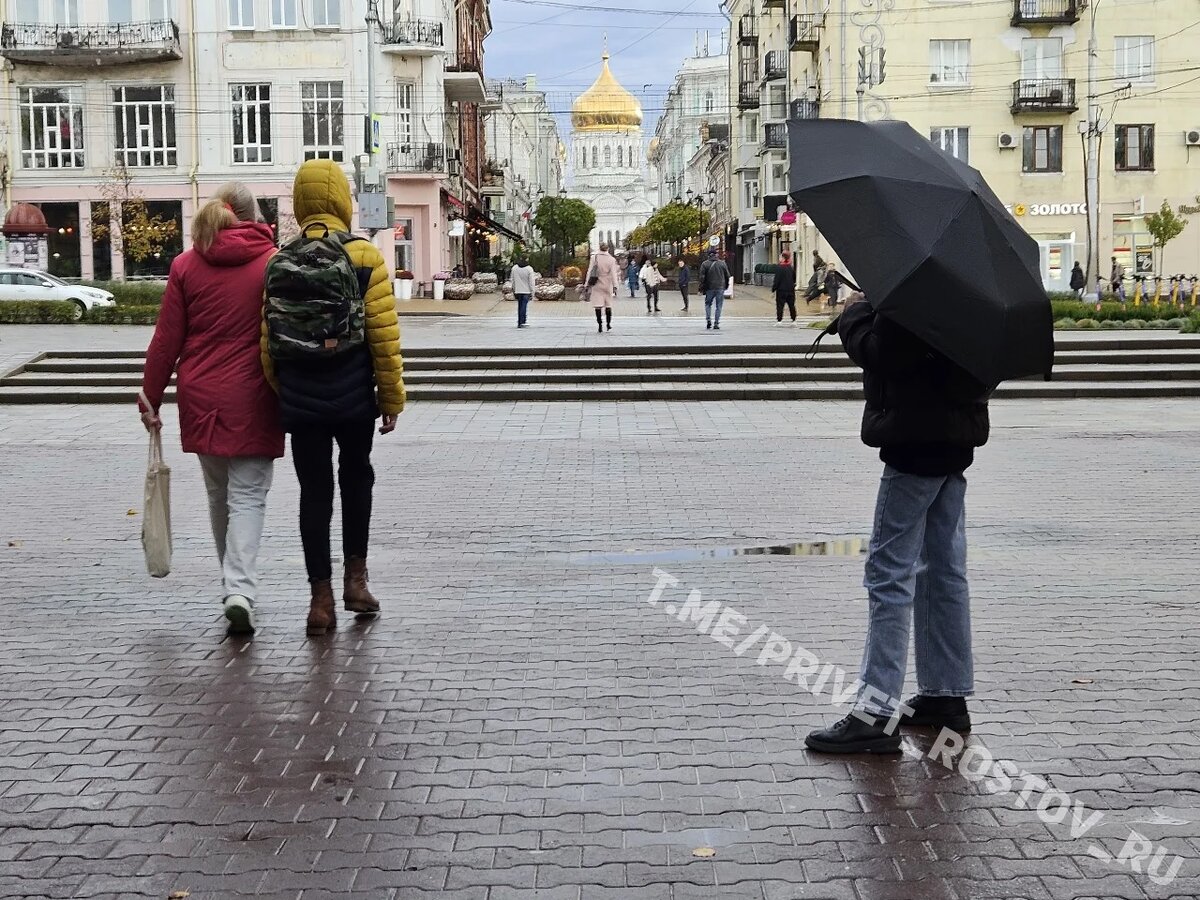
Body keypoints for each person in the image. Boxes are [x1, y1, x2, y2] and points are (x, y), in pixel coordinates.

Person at [805, 296, 991, 754]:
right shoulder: (975, 292)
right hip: (954, 439)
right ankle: (945, 697)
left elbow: (886, 353)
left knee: (888, 575)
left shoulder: (915, 291)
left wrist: (855, 314)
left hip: (915, 442)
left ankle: (874, 711)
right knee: (943, 571)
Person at [262, 159, 405, 637]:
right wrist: (391, 398)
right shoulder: (364, 256)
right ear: (344, 200)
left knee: (313, 492)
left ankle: (319, 600)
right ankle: (356, 581)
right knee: (357, 479)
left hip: (302, 396)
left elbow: (267, 342)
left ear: (301, 201)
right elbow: (383, 336)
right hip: (353, 393)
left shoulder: (280, 257)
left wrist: (286, 390)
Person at [139, 182, 283, 636]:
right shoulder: (272, 264)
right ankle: (238, 588)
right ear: (254, 217)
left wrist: (150, 395)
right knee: (248, 496)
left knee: (219, 495)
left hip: (200, 395)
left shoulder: (185, 264)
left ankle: (233, 585)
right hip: (255, 396)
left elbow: (167, 338)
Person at [586, 242, 621, 332]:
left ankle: (600, 324)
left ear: (599, 248)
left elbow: (590, 271)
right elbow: (614, 274)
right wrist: (615, 285)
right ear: (607, 249)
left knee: (598, 306)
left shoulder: (594, 257)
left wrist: (586, 284)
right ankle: (608, 324)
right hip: (607, 283)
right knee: (608, 305)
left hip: (597, 283)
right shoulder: (611, 259)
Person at [699, 249, 732, 330]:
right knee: (719, 306)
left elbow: (702, 277)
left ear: (709, 255)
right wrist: (726, 285)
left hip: (709, 287)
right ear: (716, 255)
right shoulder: (722, 263)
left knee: (708, 304)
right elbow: (727, 276)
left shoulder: (705, 264)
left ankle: (708, 320)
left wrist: (701, 287)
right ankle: (716, 323)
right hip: (720, 287)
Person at [510, 255, 537, 328]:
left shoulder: (514, 268)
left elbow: (512, 280)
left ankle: (519, 321)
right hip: (526, 290)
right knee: (524, 306)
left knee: (519, 306)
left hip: (518, 290)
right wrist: (533, 291)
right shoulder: (529, 269)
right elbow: (531, 281)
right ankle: (523, 321)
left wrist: (513, 289)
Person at [773, 252, 798, 325]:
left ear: (783, 258)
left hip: (781, 290)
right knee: (792, 305)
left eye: (780, 257)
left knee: (780, 305)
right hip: (790, 290)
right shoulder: (791, 267)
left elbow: (777, 279)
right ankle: (794, 320)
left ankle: (779, 320)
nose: (779, 258)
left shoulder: (779, 268)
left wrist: (774, 289)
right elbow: (794, 278)